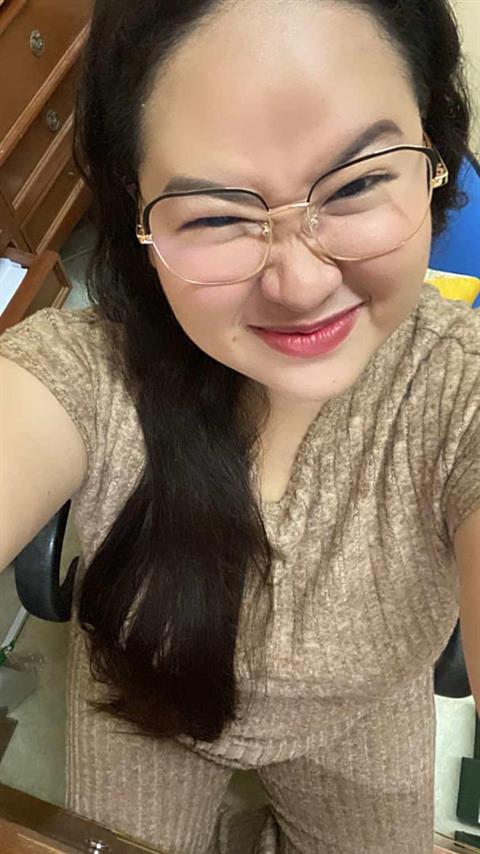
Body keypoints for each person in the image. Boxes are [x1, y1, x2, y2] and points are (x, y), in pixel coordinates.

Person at [1, 0, 479, 852]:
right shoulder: (86, 370)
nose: (300, 284)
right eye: (216, 215)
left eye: (357, 183)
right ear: (138, 216)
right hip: (143, 701)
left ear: (435, 153)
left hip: (360, 713)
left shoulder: (457, 384)